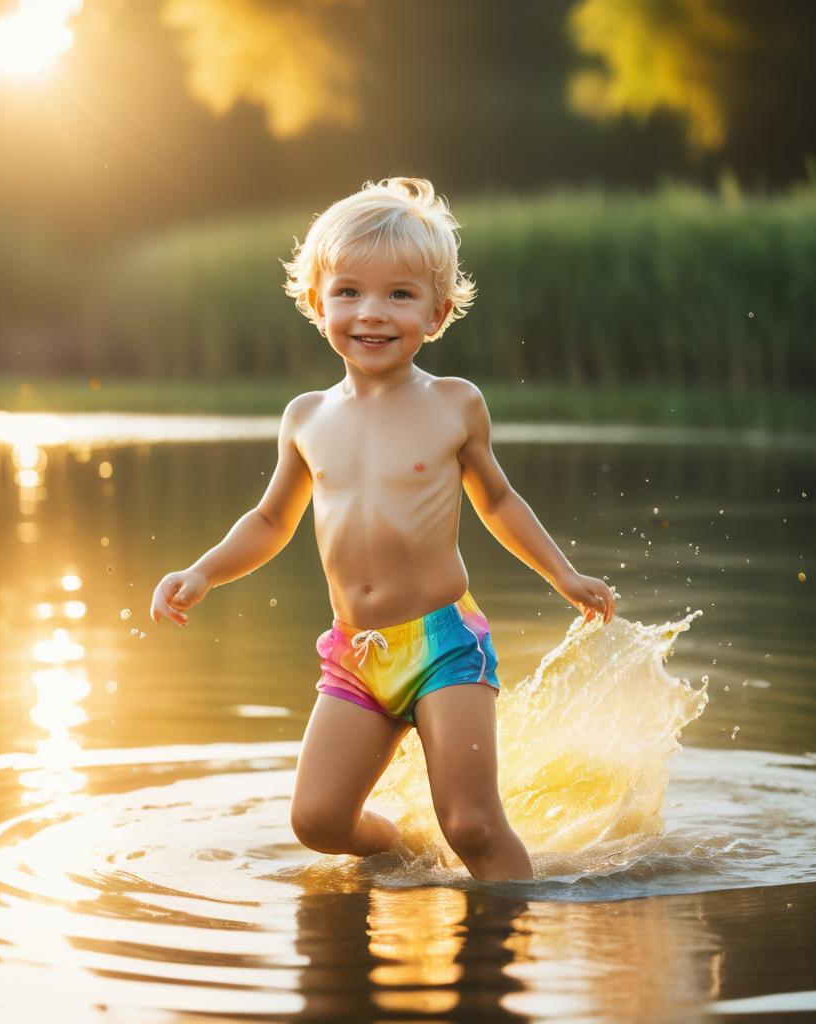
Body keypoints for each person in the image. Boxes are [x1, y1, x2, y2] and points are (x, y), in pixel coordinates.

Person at [150, 177, 616, 882]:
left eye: (400, 295)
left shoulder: (455, 405)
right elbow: (272, 519)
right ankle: (409, 857)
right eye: (348, 292)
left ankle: (507, 946)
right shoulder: (307, 418)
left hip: (443, 646)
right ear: (317, 303)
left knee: (474, 824)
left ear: (437, 313)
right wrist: (203, 571)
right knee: (318, 822)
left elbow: (499, 501)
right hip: (357, 654)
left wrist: (565, 575)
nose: (372, 313)